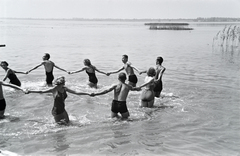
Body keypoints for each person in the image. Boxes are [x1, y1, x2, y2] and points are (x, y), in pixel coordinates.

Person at [26, 76, 90, 125]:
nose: (56, 85)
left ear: (62, 84)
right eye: (56, 84)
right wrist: (30, 91)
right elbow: (41, 91)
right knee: (58, 126)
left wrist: (88, 93)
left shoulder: (64, 88)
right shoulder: (54, 89)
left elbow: (76, 92)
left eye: (58, 84)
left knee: (68, 122)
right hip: (56, 110)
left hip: (62, 109)